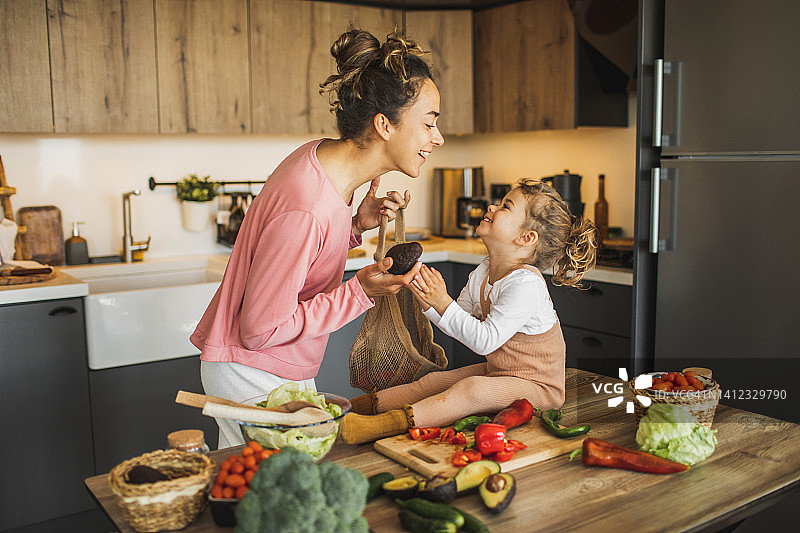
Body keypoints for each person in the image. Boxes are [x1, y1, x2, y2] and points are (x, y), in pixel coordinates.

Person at [191, 29, 444, 448]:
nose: (437, 138)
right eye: (429, 123)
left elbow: (304, 254)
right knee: (280, 502)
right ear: (384, 125)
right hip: (254, 371)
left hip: (271, 367)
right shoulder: (306, 205)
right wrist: (359, 292)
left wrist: (355, 224)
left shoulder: (324, 163)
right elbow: (260, 329)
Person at [340, 179, 598, 444]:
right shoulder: (484, 271)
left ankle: (376, 427)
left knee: (470, 389)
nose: (492, 207)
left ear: (526, 238)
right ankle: (348, 409)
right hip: (500, 374)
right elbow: (457, 321)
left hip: (538, 389)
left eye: (506, 206)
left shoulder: (526, 284)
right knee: (433, 382)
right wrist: (427, 297)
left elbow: (483, 340)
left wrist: (442, 302)